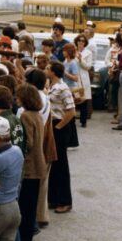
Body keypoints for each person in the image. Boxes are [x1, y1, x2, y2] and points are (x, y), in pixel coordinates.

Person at [15, 84, 45, 241]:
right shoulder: (37, 115)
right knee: (30, 208)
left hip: (29, 167)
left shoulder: (26, 116)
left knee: (24, 209)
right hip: (38, 166)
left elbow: (28, 142)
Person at [46, 62, 76, 214]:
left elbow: (71, 112)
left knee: (61, 165)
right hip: (53, 126)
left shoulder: (63, 88)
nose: (46, 70)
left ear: (53, 72)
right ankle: (53, 198)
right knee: (54, 164)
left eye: (48, 68)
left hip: (60, 127)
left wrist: (58, 127)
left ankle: (65, 201)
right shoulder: (51, 86)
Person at [74, 34, 93, 127]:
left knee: (83, 100)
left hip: (83, 77)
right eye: (79, 41)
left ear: (85, 43)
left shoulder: (88, 53)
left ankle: (83, 121)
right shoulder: (73, 51)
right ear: (76, 42)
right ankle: (71, 119)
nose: (81, 42)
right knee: (73, 98)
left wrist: (81, 59)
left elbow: (88, 66)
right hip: (74, 77)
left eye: (83, 41)